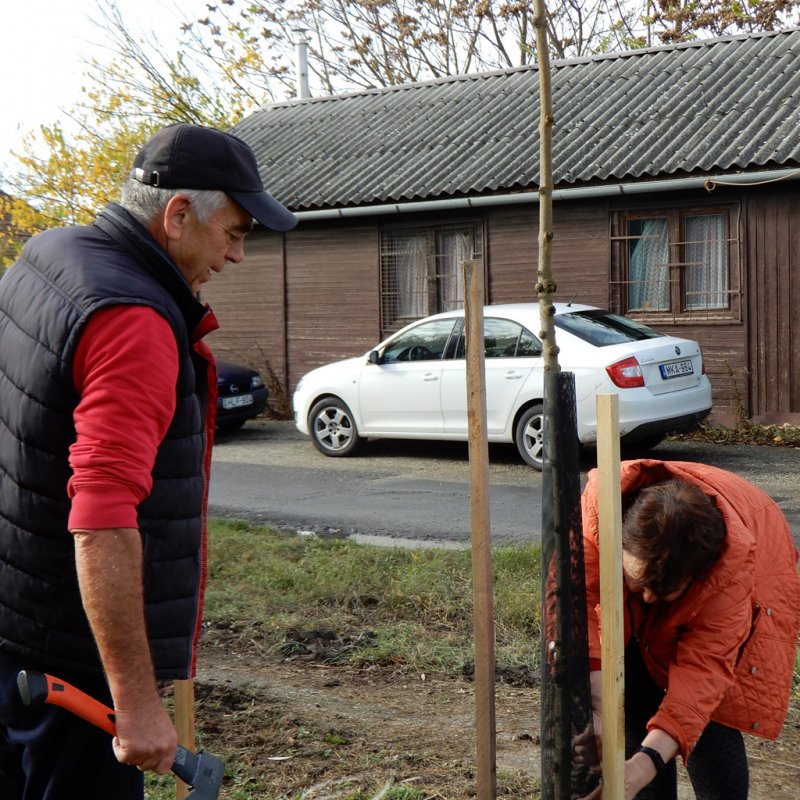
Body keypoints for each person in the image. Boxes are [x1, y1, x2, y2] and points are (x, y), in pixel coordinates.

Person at [0, 123, 297, 799]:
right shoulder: (133, 320)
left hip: (15, 628)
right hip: (69, 670)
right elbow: (102, 514)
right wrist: (133, 701)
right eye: (236, 231)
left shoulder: (48, 256)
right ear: (178, 214)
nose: (237, 255)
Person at [580, 459, 800, 800]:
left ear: (698, 577)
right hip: (646, 571)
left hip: (755, 550)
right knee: (634, 693)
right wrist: (599, 710)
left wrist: (645, 763)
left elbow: (703, 673)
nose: (650, 597)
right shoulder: (599, 515)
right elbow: (586, 610)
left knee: (711, 719)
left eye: (665, 590)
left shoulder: (727, 579)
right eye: (639, 582)